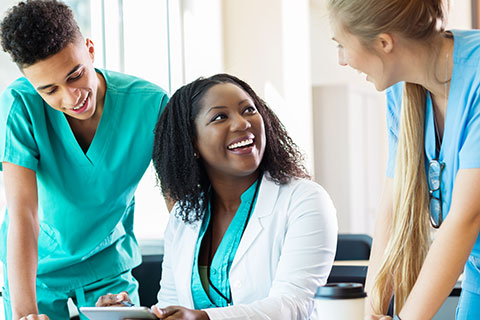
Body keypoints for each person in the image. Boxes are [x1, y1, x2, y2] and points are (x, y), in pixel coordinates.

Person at [97, 73, 338, 319]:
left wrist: (206, 318)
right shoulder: (182, 216)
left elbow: (294, 305)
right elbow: (170, 305)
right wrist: (134, 316)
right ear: (191, 143)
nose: (242, 123)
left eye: (249, 110)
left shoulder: (304, 200)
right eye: (220, 117)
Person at [0, 1, 169, 319]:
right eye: (50, 90)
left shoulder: (151, 104)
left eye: (75, 75)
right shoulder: (19, 105)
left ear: (90, 49)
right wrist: (25, 315)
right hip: (36, 271)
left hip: (108, 267)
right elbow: (23, 213)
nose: (70, 96)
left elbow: (182, 205)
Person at [327, 0, 480, 319]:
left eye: (342, 45)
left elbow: (467, 216)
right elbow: (394, 207)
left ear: (384, 42)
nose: (342, 60)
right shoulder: (402, 91)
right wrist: (370, 310)